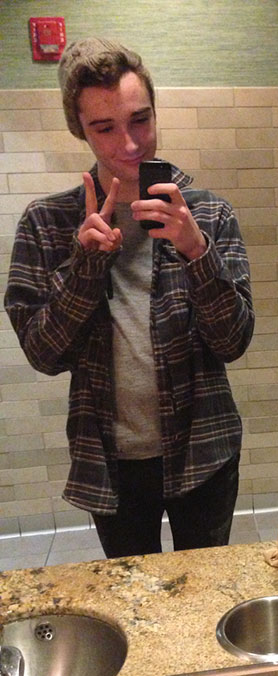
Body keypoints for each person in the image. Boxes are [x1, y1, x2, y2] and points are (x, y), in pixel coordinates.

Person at [4, 38, 254, 559]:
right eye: (105, 128)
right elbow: (44, 354)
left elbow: (232, 342)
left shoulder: (209, 215)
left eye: (141, 120)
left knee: (206, 592)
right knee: (132, 596)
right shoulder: (47, 224)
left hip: (204, 448)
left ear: (156, 112)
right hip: (109, 461)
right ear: (80, 130)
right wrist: (85, 267)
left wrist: (196, 252)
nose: (131, 143)